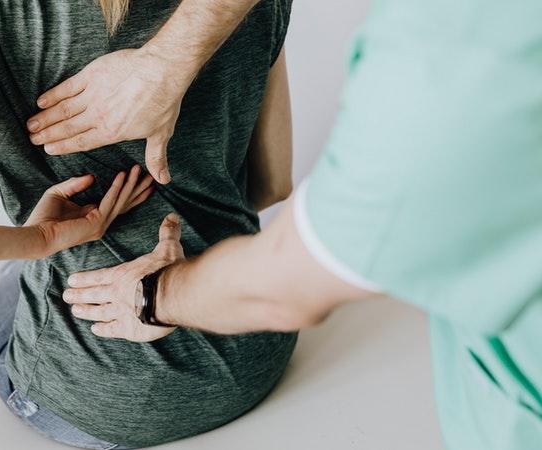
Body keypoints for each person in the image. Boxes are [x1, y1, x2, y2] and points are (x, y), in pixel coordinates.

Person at [38, 1, 542, 449]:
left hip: (110, 398)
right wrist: (169, 58)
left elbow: (294, 283)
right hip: (259, 356)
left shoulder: (453, 59)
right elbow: (272, 187)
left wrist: (147, 293)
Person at [0, 0, 297, 448]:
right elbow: (271, 185)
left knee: (12, 272)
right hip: (256, 345)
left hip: (109, 400)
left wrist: (38, 239)